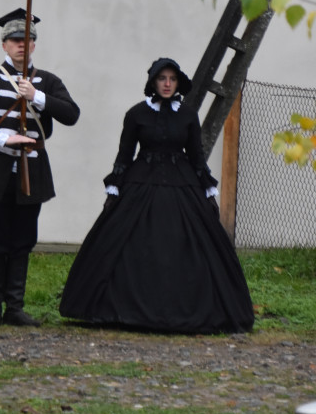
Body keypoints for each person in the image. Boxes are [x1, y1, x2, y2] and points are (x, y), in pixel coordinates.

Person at [59, 58, 254, 334]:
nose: (167, 84)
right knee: (126, 242)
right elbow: (124, 155)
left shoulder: (187, 115)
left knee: (189, 244)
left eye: (172, 79)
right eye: (162, 78)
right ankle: (117, 309)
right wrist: (114, 187)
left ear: (177, 83)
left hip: (181, 181)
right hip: (141, 181)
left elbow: (197, 157)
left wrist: (208, 189)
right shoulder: (136, 114)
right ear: (153, 82)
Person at [0, 8, 80, 327]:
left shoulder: (48, 81)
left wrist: (37, 96)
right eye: (15, 40)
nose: (21, 45)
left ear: (34, 45)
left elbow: (71, 114)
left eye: (27, 40)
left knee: (24, 238)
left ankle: (15, 306)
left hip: (34, 169)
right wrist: (0, 136)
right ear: (4, 45)